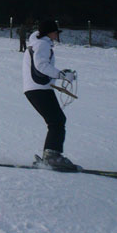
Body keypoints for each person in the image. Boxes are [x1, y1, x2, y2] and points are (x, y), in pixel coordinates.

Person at [23, 19, 77, 170]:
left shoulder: (38, 44)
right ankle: (52, 157)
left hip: (38, 88)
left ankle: (51, 155)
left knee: (56, 120)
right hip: (38, 89)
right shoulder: (42, 44)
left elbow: (41, 67)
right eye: (55, 32)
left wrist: (61, 74)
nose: (56, 35)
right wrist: (61, 75)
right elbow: (41, 66)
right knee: (57, 121)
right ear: (49, 32)